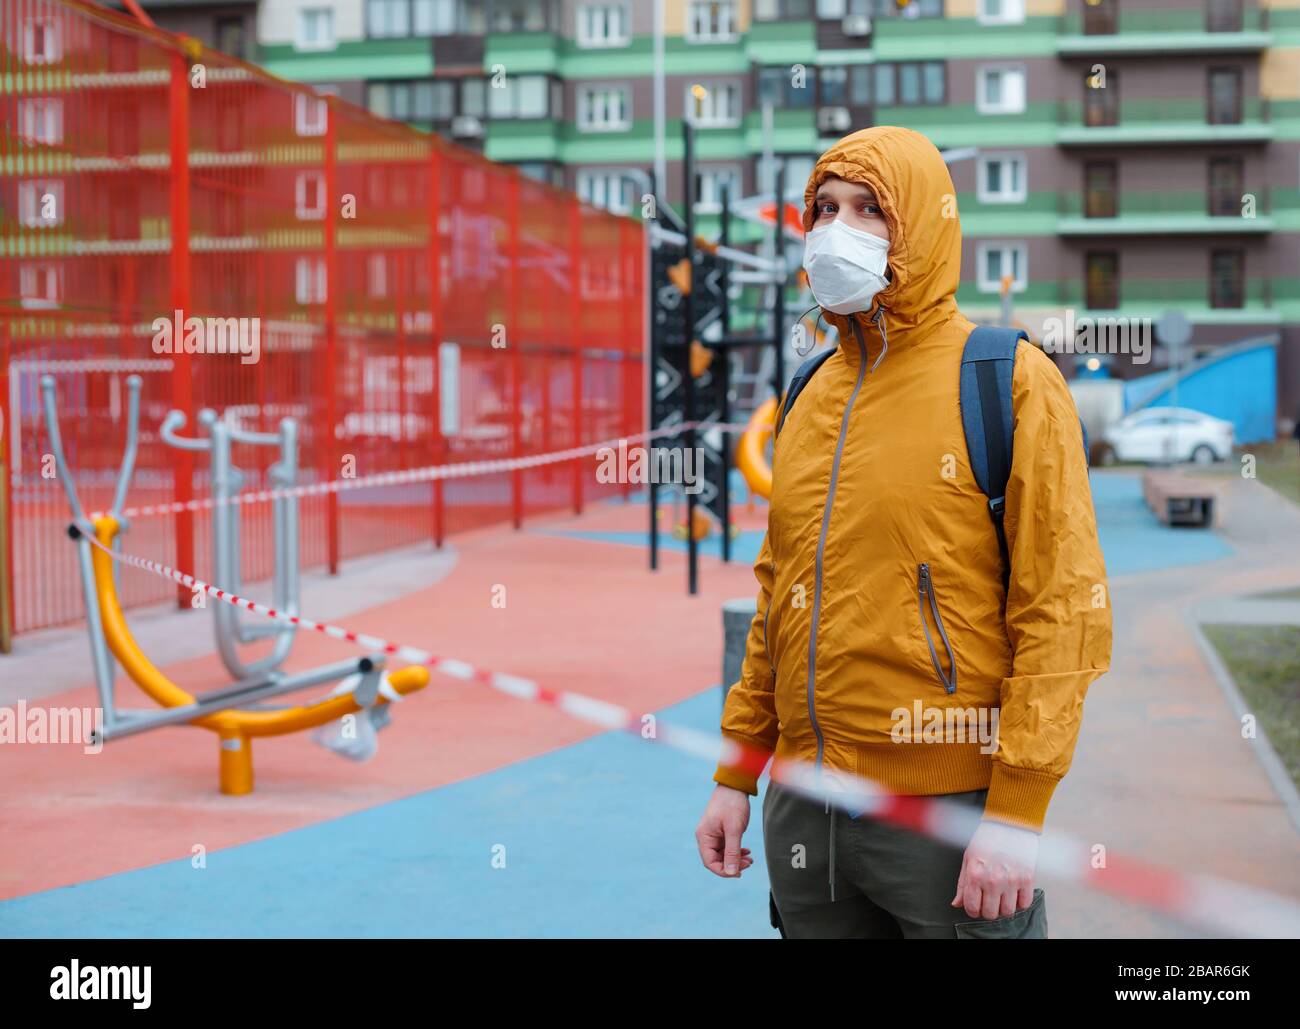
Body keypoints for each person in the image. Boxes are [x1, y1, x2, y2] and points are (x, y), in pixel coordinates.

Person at [694, 126, 1113, 939]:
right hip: (804, 809)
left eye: (868, 209)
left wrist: (1016, 811)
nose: (835, 229)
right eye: (824, 209)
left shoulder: (1008, 379)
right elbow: (780, 594)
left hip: (947, 812)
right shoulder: (809, 390)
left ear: (920, 223)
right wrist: (737, 773)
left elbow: (1063, 610)